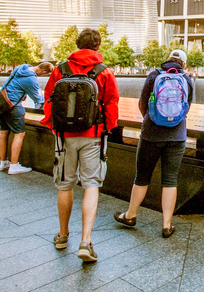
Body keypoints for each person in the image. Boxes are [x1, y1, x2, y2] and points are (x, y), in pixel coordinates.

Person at [41, 28, 119, 263]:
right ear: (98, 45)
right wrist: (106, 128)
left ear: (77, 44)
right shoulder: (104, 72)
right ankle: (86, 242)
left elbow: (48, 100)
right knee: (91, 185)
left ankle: (63, 235)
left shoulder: (60, 69)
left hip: (64, 136)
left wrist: (55, 126)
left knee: (65, 186)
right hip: (93, 136)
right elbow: (111, 104)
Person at [114, 49, 193, 239]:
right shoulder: (187, 80)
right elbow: (187, 106)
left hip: (151, 134)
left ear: (167, 61)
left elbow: (142, 103)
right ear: (183, 63)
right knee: (170, 180)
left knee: (142, 177)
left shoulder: (153, 75)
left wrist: (151, 121)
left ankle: (131, 215)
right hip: (177, 136)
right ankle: (167, 225)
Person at [0, 62, 54, 175]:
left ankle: (3, 163)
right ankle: (14, 166)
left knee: (3, 132)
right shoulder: (31, 80)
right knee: (19, 134)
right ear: (44, 72)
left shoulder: (21, 68)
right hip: (14, 107)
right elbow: (38, 99)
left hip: (3, 104)